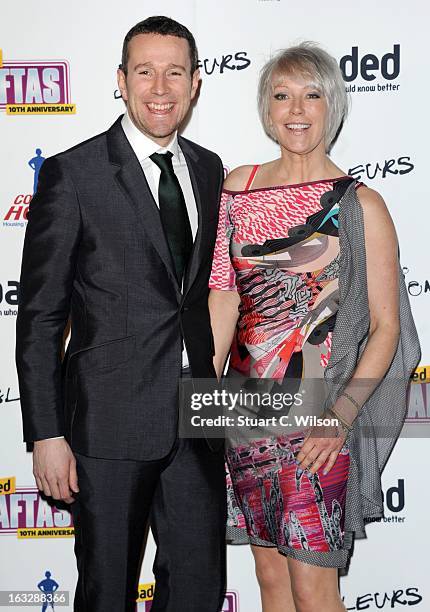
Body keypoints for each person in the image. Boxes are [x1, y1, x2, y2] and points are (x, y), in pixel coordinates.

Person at [16, 16, 226, 612]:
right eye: (145, 72)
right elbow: (41, 316)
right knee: (107, 593)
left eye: (175, 72)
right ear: (120, 80)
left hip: (198, 419)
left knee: (196, 593)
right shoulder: (73, 173)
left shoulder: (210, 170)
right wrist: (46, 432)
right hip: (107, 424)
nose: (160, 88)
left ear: (195, 83)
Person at [208, 42, 420, 612]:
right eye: (281, 95)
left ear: (334, 106)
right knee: (270, 579)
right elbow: (225, 299)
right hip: (245, 413)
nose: (295, 108)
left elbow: (385, 328)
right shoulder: (238, 187)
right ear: (265, 108)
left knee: (313, 585)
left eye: (311, 94)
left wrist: (340, 417)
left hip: (319, 419)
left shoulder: (361, 204)